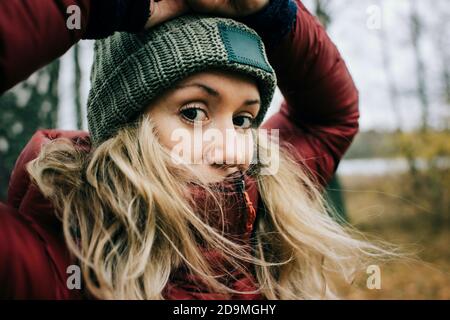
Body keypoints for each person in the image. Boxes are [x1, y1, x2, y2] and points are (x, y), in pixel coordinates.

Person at [0, 0, 385, 299]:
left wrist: (273, 14)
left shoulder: (268, 206)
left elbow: (330, 117)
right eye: (194, 112)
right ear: (125, 127)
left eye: (243, 119)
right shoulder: (50, 266)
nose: (233, 152)